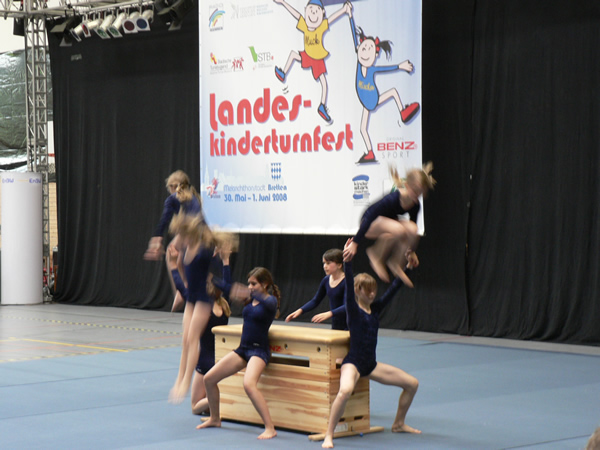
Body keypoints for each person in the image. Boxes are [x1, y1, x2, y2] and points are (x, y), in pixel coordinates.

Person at [322, 240, 420, 448]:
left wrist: (408, 268)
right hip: (353, 363)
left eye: (373, 290)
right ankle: (329, 434)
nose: (372, 294)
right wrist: (348, 261)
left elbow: (394, 288)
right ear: (358, 291)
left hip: (371, 365)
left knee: (412, 384)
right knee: (345, 390)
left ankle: (398, 424)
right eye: (367, 290)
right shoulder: (352, 309)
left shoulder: (375, 309)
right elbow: (348, 283)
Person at [197, 267, 281, 440]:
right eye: (248, 284)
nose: (250, 287)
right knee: (209, 379)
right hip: (243, 349)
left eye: (254, 284)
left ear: (265, 284)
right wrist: (212, 278)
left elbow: (268, 303)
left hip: (259, 351)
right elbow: (229, 288)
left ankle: (270, 428)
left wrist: (246, 292)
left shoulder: (270, 301)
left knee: (249, 384)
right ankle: (215, 418)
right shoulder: (250, 299)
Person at [347, 5, 420, 164]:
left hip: (373, 99)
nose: (365, 51)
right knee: (362, 129)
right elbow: (354, 35)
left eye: (369, 49)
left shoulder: (372, 69)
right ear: (358, 49)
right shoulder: (359, 63)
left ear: (375, 55)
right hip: (366, 103)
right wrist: (350, 16)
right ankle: (370, 153)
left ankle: (403, 112)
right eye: (363, 48)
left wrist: (400, 66)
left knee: (393, 91)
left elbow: (386, 68)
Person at [343, 162, 435, 287]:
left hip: (387, 225)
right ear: (406, 186)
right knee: (399, 230)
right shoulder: (392, 199)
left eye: (420, 193)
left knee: (413, 230)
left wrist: (411, 251)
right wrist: (355, 243)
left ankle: (396, 263)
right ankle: (376, 255)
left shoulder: (415, 205)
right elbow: (369, 217)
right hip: (369, 224)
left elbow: (411, 227)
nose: (417, 196)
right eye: (415, 191)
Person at [168, 243, 233, 415]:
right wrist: (225, 261)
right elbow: (227, 283)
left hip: (204, 362)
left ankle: (224, 400)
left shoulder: (202, 308)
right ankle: (220, 401)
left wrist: (173, 266)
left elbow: (183, 289)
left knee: (195, 406)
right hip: (221, 361)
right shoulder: (225, 306)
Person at [273, 0, 351, 122]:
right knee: (293, 54)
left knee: (324, 83)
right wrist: (283, 2)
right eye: (311, 10)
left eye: (316, 11)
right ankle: (283, 74)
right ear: (306, 10)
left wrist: (344, 10)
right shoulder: (304, 25)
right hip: (307, 55)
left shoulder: (321, 27)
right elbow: (296, 14)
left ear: (322, 13)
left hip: (317, 59)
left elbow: (331, 18)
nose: (313, 14)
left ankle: (322, 106)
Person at [166, 213, 215, 405]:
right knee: (185, 339)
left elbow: (206, 228)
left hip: (203, 299)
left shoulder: (203, 249)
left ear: (190, 234)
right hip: (191, 298)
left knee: (193, 338)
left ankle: (187, 380)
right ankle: (179, 377)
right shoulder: (186, 249)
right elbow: (182, 270)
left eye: (181, 235)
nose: (179, 240)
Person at [144, 170, 203, 312]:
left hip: (191, 229)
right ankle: (185, 288)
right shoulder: (194, 197)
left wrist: (157, 238)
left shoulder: (172, 198)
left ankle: (179, 292)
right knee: (182, 260)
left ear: (172, 187)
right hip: (200, 233)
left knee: (172, 253)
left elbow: (165, 219)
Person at [285, 248, 347, 330]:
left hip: (350, 323)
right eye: (324, 263)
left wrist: (330, 313)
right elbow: (315, 300)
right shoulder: (326, 280)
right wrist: (300, 310)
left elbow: (348, 305)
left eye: (328, 263)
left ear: (339, 265)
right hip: (336, 323)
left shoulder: (347, 281)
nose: (325, 266)